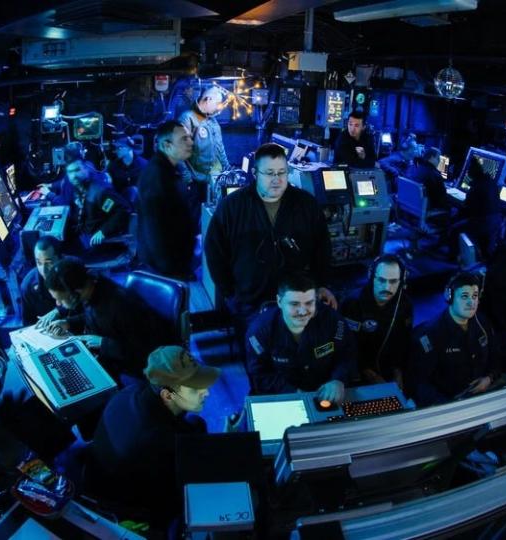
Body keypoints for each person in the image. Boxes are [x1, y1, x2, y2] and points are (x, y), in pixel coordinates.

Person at [205, 142, 337, 322]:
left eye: (282, 172)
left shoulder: (307, 204)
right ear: (255, 173)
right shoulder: (232, 206)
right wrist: (230, 294)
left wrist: (321, 285)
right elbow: (214, 252)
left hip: (297, 300)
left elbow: (322, 249)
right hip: (249, 303)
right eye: (269, 173)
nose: (277, 179)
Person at [89, 345, 219, 520]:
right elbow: (192, 481)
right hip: (133, 509)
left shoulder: (130, 392)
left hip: (103, 478)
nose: (207, 393)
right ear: (167, 395)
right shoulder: (163, 441)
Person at [42, 257, 175, 379]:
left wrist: (103, 343)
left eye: (60, 300)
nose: (58, 305)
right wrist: (68, 323)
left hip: (135, 367)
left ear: (76, 293)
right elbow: (96, 317)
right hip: (111, 353)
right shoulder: (92, 289)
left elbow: (144, 350)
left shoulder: (120, 305)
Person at [245, 274, 355, 402]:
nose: (303, 311)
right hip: (282, 395)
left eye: (309, 303)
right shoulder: (259, 331)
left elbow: (347, 352)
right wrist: (291, 392)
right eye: (294, 304)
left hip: (325, 392)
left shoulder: (333, 320)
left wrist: (338, 379)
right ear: (279, 302)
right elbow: (259, 374)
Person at [408, 272, 495, 407]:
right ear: (450, 297)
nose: (471, 302)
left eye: (475, 296)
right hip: (449, 403)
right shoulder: (430, 334)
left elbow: (496, 355)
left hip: (481, 394)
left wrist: (489, 377)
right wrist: (449, 406)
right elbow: (420, 384)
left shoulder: (482, 323)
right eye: (464, 296)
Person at [137, 120, 198, 280]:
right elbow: (155, 229)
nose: (190, 142)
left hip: (174, 263)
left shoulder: (169, 170)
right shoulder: (157, 178)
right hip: (167, 268)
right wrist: (173, 270)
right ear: (166, 145)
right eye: (184, 139)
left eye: (189, 137)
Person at [341, 255, 413, 389]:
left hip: (389, 367)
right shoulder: (353, 303)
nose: (387, 287)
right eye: (381, 280)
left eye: (393, 281)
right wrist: (371, 375)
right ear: (371, 277)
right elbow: (347, 347)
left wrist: (398, 371)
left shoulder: (404, 304)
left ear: (401, 281)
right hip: (357, 368)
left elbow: (404, 341)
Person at [47, 144, 132, 251]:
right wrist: (51, 186)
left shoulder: (99, 191)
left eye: (77, 170)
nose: (74, 176)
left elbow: (123, 210)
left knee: (57, 250)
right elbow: (64, 183)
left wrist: (103, 231)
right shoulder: (78, 184)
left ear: (86, 167)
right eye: (70, 172)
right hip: (81, 232)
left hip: (93, 240)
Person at [178, 85, 229, 198]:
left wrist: (228, 169)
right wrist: (187, 178)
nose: (218, 109)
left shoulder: (213, 122)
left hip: (212, 179)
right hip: (194, 181)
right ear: (208, 99)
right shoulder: (187, 119)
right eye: (217, 104)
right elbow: (179, 151)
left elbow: (220, 148)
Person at [461, 158, 503, 259]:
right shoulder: (491, 182)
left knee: (455, 227)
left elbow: (467, 206)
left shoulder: (476, 185)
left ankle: (453, 258)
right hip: (496, 222)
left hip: (482, 223)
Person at [20, 235, 66, 325]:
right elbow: (28, 322)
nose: (43, 270)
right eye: (39, 263)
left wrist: (59, 311)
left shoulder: (73, 270)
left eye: (48, 263)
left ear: (60, 258)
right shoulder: (27, 286)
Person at [106, 136, 147, 206]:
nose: (116, 151)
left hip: (140, 203)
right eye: (116, 148)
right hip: (120, 203)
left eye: (119, 148)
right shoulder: (113, 166)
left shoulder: (144, 165)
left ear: (128, 148)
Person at [417, 146, 449, 212]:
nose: (440, 161)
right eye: (438, 159)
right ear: (431, 158)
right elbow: (442, 199)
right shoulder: (435, 175)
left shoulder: (416, 168)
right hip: (428, 210)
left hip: (414, 207)